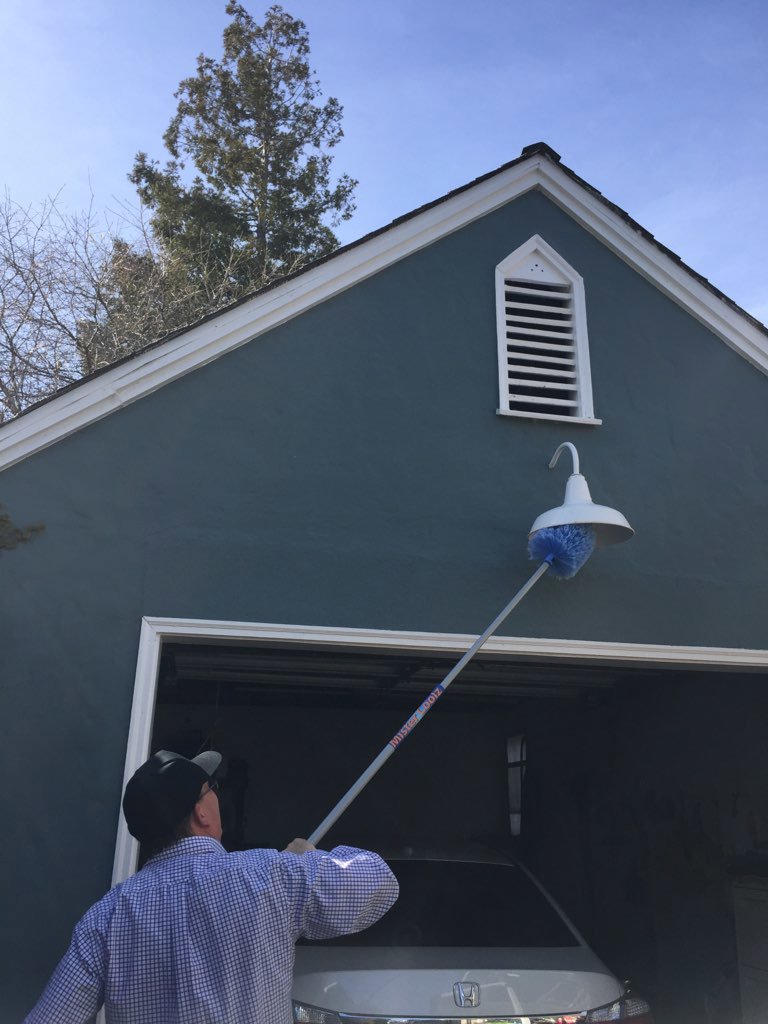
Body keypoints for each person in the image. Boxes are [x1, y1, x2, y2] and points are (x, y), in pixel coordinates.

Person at [24, 749, 399, 1024]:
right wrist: (307, 861)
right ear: (201, 813)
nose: (217, 795)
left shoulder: (105, 919)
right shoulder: (270, 876)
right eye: (212, 787)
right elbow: (378, 882)